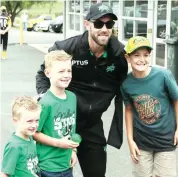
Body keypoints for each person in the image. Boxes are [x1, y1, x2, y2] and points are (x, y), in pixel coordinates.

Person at [36, 3, 128, 177]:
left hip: (92, 124)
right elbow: (43, 73)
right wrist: (44, 98)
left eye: (109, 25)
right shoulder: (68, 48)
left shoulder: (118, 55)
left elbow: (127, 81)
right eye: (99, 24)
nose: (104, 29)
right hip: (63, 122)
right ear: (87, 24)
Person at [121, 36, 178, 177]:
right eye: (136, 55)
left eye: (146, 55)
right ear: (128, 58)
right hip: (141, 141)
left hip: (166, 139)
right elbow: (128, 110)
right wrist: (130, 140)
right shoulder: (126, 83)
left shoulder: (163, 75)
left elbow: (177, 100)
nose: (142, 59)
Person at [33, 50, 79, 177]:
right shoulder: (45, 103)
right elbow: (34, 133)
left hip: (66, 165)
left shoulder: (72, 97)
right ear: (48, 73)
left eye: (69, 71)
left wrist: (73, 151)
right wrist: (59, 143)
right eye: (61, 71)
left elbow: (72, 129)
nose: (66, 75)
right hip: (48, 167)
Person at [1, 96, 41, 177]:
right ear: (16, 121)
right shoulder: (14, 146)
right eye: (29, 121)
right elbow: (5, 174)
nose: (34, 125)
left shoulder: (29, 137)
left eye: (37, 120)